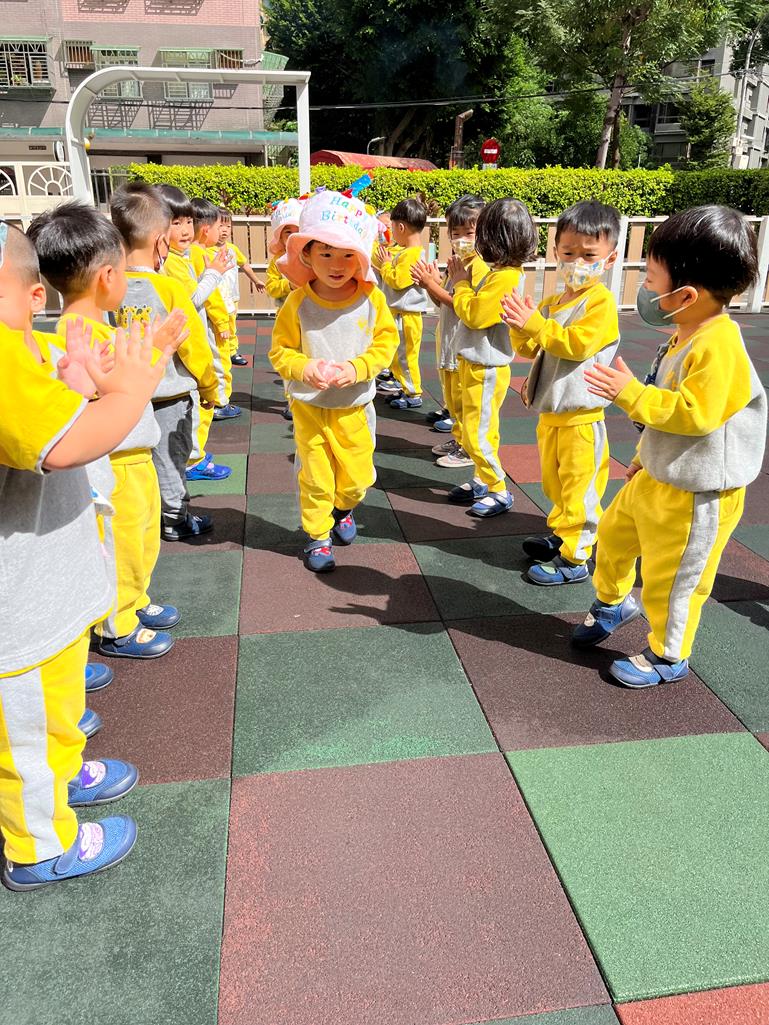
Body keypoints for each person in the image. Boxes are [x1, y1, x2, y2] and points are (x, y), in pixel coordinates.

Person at [0, 223, 180, 889]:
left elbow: (58, 390)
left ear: (34, 298)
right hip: (19, 608)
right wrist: (129, 390)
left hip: (46, 585)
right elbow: (67, 445)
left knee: (55, 710)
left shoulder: (28, 350)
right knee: (26, 732)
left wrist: (89, 375)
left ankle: (64, 774)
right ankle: (39, 847)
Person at [572, 205, 767, 688]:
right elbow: (668, 410)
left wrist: (630, 394)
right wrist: (644, 456)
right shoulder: (685, 333)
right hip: (660, 474)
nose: (645, 290)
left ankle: (668, 654)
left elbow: (696, 414)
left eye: (651, 280)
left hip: (697, 493)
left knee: (674, 579)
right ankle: (613, 603)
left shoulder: (719, 345)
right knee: (613, 538)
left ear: (686, 295)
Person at [29, 200, 188, 662]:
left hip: (133, 454)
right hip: (113, 461)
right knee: (122, 544)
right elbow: (112, 392)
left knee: (141, 539)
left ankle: (134, 601)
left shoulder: (96, 327)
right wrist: (154, 354)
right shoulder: (77, 335)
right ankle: (119, 624)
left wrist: (152, 347)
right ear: (107, 277)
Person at [269, 190, 398, 572]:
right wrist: (305, 368)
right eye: (326, 254)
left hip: (354, 407)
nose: (337, 265)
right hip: (310, 407)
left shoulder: (371, 300)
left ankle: (343, 508)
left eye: (346, 255)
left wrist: (358, 368)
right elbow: (281, 351)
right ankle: (318, 536)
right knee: (316, 477)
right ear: (307, 255)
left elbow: (385, 343)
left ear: (360, 257)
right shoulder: (298, 303)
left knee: (358, 478)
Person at [502, 200, 621, 585]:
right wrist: (520, 325)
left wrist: (535, 325)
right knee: (555, 483)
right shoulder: (554, 302)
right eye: (568, 254)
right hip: (552, 413)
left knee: (579, 486)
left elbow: (577, 345)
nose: (576, 263)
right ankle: (562, 533)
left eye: (589, 255)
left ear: (610, 259)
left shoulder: (600, 303)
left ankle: (576, 556)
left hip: (581, 417)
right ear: (556, 252)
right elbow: (530, 348)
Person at [111, 183, 220, 542]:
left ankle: (146, 515)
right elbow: (194, 346)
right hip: (170, 394)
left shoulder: (109, 287)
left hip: (126, 394)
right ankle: (175, 518)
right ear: (161, 242)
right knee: (172, 457)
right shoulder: (169, 288)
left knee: (138, 458)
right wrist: (209, 386)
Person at [448, 197, 537, 517]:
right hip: (477, 363)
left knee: (477, 433)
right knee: (479, 429)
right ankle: (482, 479)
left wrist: (460, 285)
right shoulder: (499, 272)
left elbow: (474, 314)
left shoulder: (506, 277)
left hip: (486, 366)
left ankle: (499, 488)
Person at [156, 183, 232, 482]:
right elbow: (194, 300)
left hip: (192, 338)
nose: (187, 229)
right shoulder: (174, 262)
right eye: (176, 223)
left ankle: (192, 454)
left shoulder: (180, 257)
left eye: (188, 221)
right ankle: (193, 459)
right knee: (196, 403)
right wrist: (214, 273)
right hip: (187, 344)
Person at [412, 194, 486, 469]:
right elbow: (442, 302)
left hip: (464, 346)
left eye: (469, 233)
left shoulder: (479, 266)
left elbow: (461, 304)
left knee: (466, 403)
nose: (461, 240)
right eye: (456, 234)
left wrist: (431, 284)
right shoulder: (458, 263)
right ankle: (459, 440)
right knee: (453, 401)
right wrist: (431, 283)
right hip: (449, 342)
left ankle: (469, 449)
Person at [375, 197, 430, 410]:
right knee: (399, 355)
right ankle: (405, 387)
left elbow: (397, 281)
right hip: (401, 314)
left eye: (392, 229)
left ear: (400, 227)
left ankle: (413, 393)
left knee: (407, 356)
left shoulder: (411, 255)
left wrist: (386, 265)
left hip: (407, 316)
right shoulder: (409, 252)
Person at [190, 197, 241, 420]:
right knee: (220, 361)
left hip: (209, 318)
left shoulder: (193, 253)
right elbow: (211, 296)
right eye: (219, 226)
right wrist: (222, 322)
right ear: (205, 230)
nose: (222, 231)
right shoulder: (200, 255)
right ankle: (220, 402)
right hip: (213, 320)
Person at [266, 198, 303, 422]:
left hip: (309, 318)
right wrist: (288, 285)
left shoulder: (311, 257)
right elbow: (271, 286)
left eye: (296, 230)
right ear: (279, 236)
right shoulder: (277, 262)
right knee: (288, 360)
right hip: (286, 318)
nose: (291, 235)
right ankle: (292, 400)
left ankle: (307, 398)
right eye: (287, 231)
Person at [217, 206, 266, 366]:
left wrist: (256, 280)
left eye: (228, 226)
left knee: (231, 325)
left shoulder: (232, 250)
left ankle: (232, 351)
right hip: (216, 297)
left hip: (232, 296)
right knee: (219, 325)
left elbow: (244, 265)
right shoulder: (207, 251)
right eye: (220, 226)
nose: (225, 230)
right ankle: (220, 351)